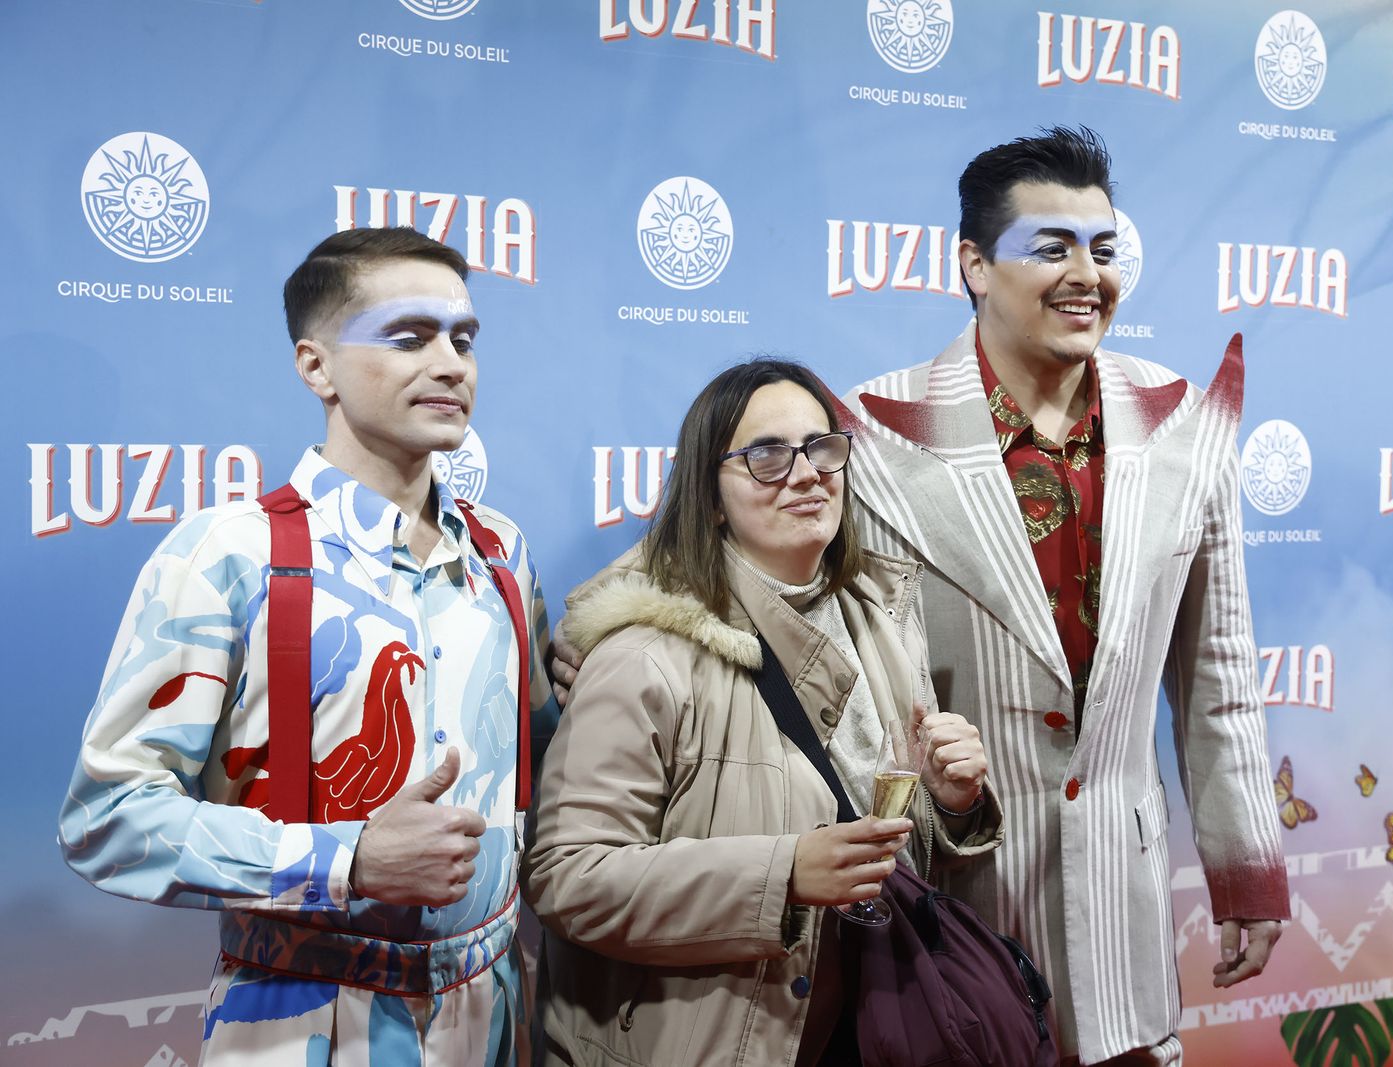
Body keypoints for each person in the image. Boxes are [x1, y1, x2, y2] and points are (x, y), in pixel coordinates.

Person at [834, 126, 1290, 1064]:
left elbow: (1218, 675)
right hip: (952, 921)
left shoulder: (1186, 428)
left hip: (1125, 920)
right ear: (972, 263)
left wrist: (1245, 870)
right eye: (1051, 247)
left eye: (1103, 246)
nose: (1087, 273)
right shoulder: (871, 437)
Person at [59, 227, 558, 1065]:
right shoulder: (226, 554)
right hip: (299, 1025)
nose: (450, 363)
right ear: (315, 365)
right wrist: (348, 858)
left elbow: (548, 766)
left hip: (498, 1014)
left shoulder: (502, 552)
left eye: (463, 338)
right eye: (408, 336)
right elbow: (106, 818)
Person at [524, 359, 1002, 1066]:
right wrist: (783, 874)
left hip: (874, 1024)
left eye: (821, 447)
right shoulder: (645, 652)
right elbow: (568, 878)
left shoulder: (884, 618)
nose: (807, 473)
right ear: (710, 495)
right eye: (767, 456)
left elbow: (889, 846)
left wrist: (952, 802)